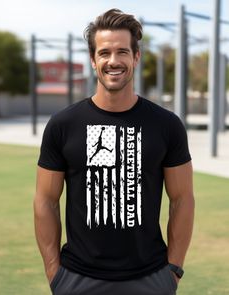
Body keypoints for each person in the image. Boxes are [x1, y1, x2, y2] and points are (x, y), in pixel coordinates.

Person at [34, 8, 194, 295]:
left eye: (122, 51)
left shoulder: (166, 125)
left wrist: (173, 271)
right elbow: (45, 200)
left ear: (136, 57)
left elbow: (182, 199)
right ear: (94, 60)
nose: (113, 61)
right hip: (77, 279)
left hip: (151, 278)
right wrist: (54, 273)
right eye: (104, 52)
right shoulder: (63, 125)